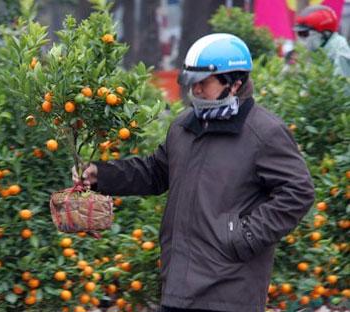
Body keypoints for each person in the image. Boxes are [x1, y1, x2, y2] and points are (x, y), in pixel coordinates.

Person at [73, 33, 314, 312]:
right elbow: (154, 172)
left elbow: (299, 191)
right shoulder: (184, 126)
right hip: (178, 286)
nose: (195, 91)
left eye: (204, 83)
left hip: (230, 291)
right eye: (192, 83)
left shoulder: (264, 132)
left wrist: (244, 235)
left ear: (234, 84)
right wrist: (99, 175)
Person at [293, 4, 350, 77]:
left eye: (304, 33)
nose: (300, 39)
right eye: (299, 33)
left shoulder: (339, 55)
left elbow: (341, 86)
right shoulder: (322, 49)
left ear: (324, 33)